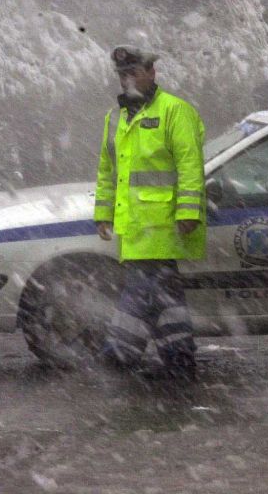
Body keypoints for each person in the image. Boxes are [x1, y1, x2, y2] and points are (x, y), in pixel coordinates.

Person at [94, 45, 207, 379]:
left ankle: (119, 353)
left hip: (164, 226)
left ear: (152, 73)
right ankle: (179, 357)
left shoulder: (175, 112)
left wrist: (188, 212)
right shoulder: (114, 118)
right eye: (123, 74)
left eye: (134, 73)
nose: (128, 79)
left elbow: (190, 166)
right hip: (133, 228)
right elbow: (107, 170)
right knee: (164, 297)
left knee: (140, 292)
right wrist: (103, 214)